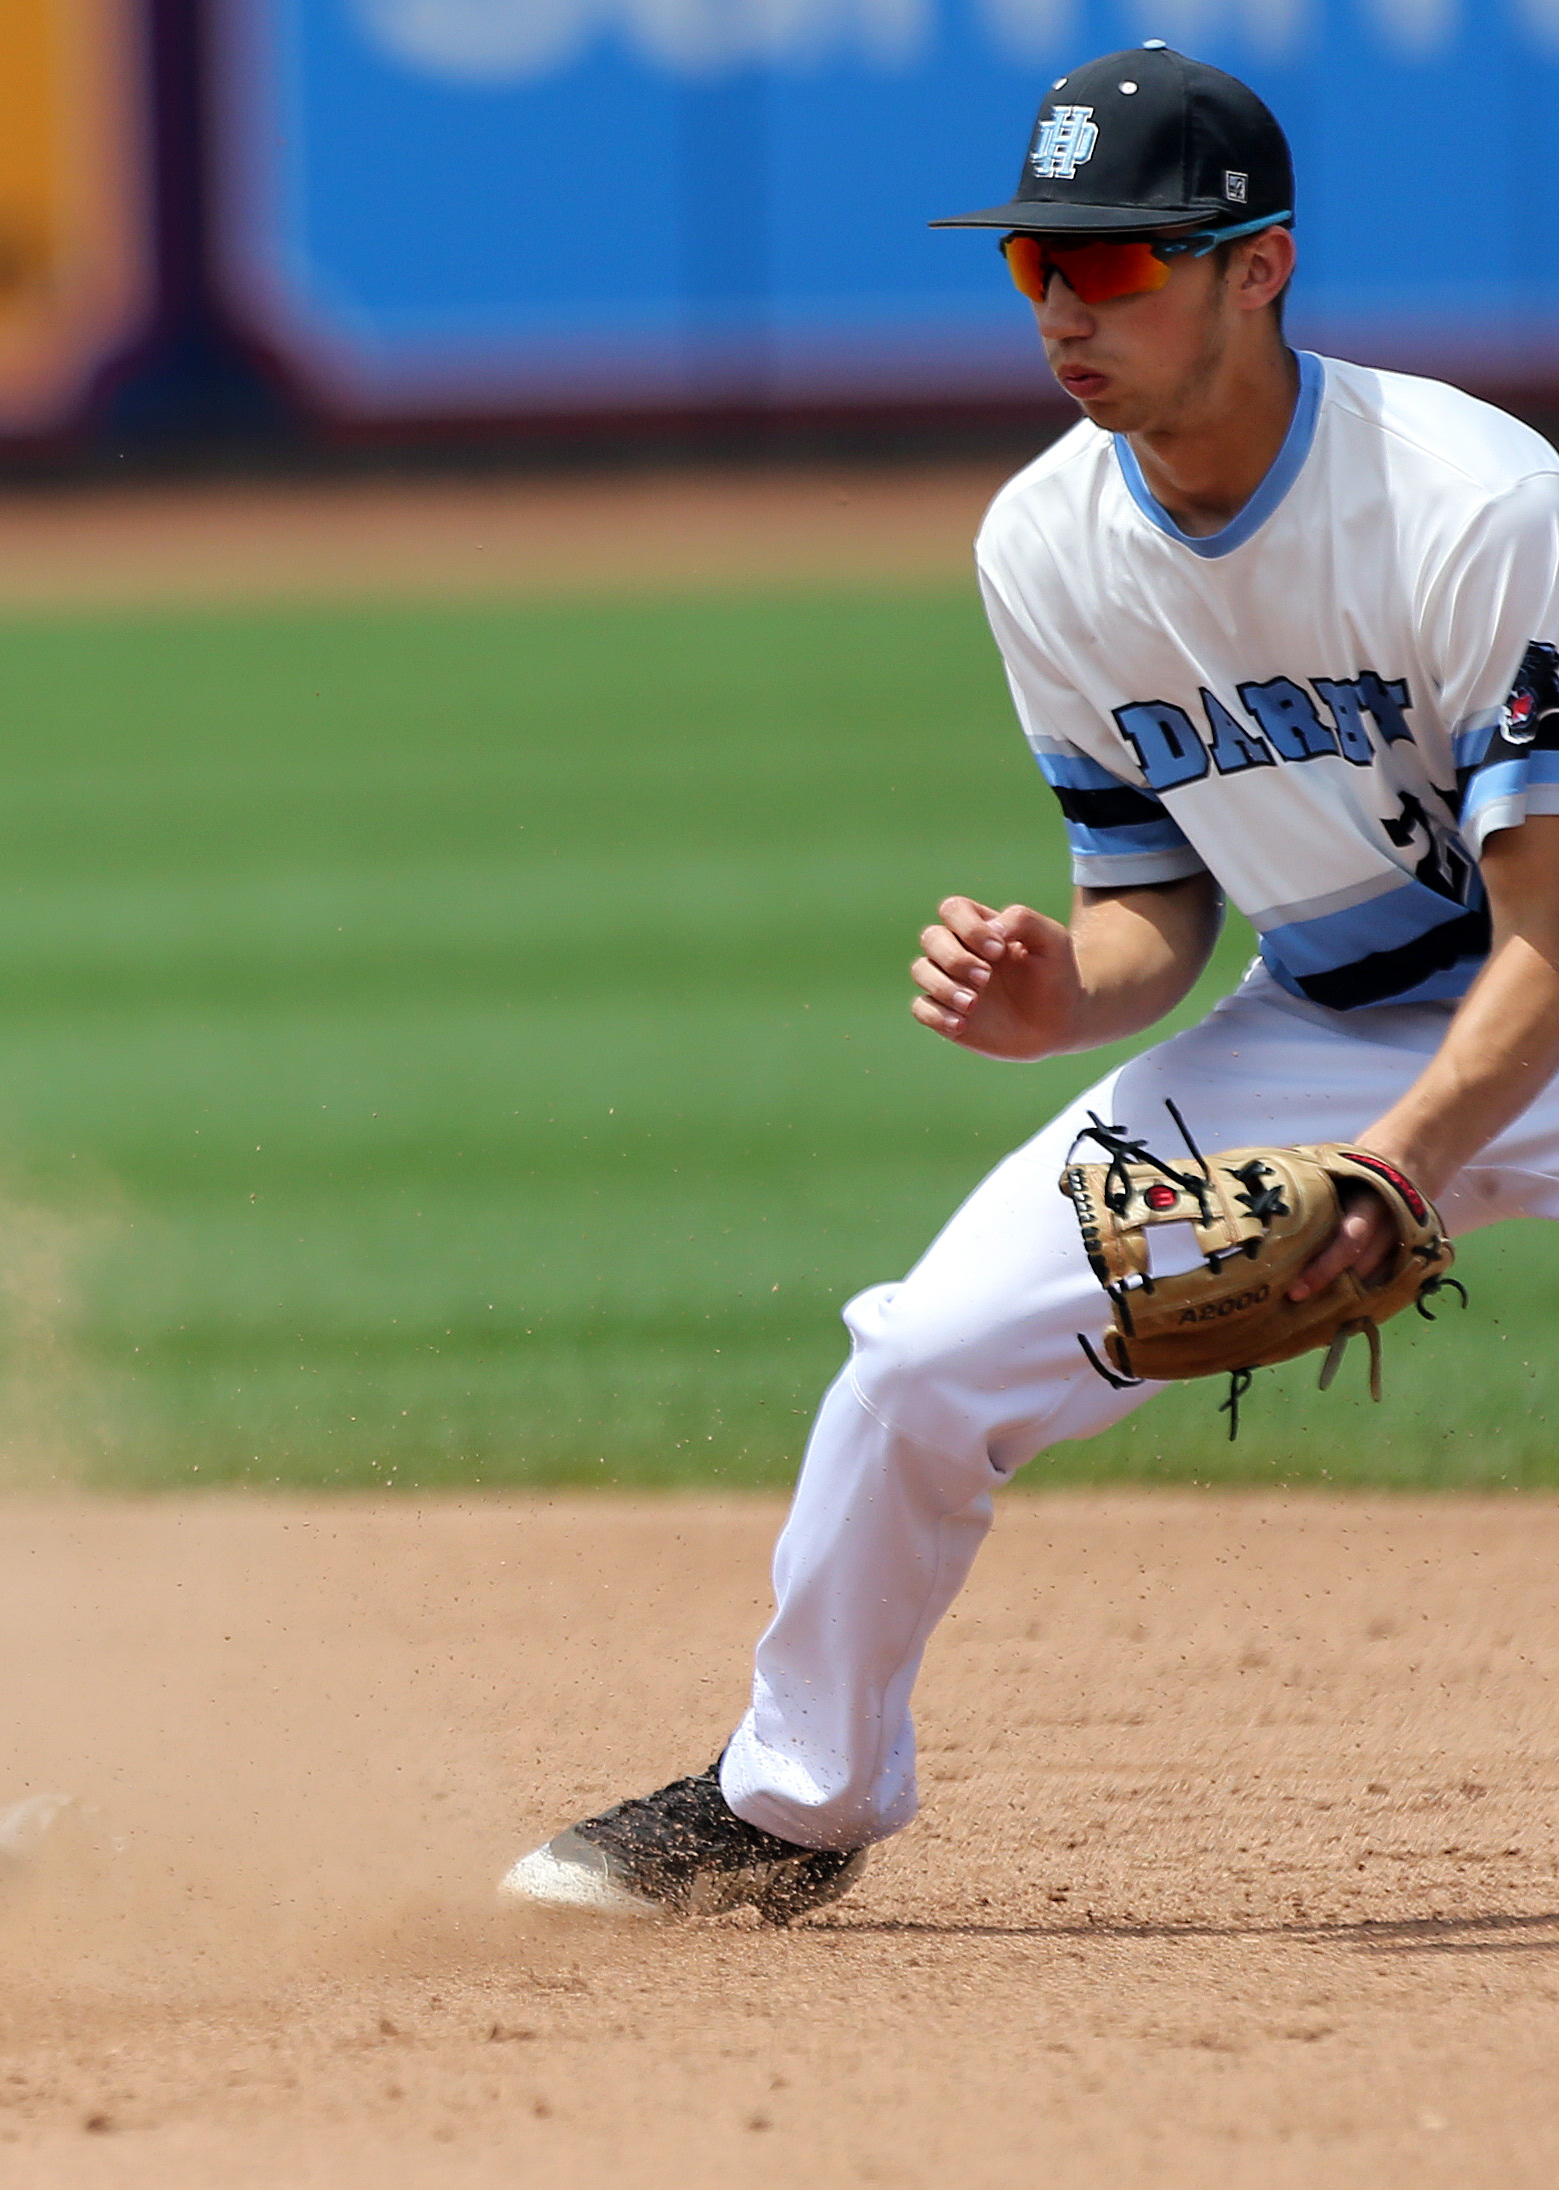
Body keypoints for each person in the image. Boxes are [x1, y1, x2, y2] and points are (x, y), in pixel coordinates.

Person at [501, 43, 1559, 1924]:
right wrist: (1064, 992)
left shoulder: (1471, 502)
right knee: (922, 1360)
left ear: (1259, 267)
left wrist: (1394, 1161)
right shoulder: (1045, 542)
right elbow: (1150, 903)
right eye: (1034, 264)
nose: (1066, 307)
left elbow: (1547, 925)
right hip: (1334, 1019)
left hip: (1528, 982)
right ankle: (789, 1802)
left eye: (1117, 262)